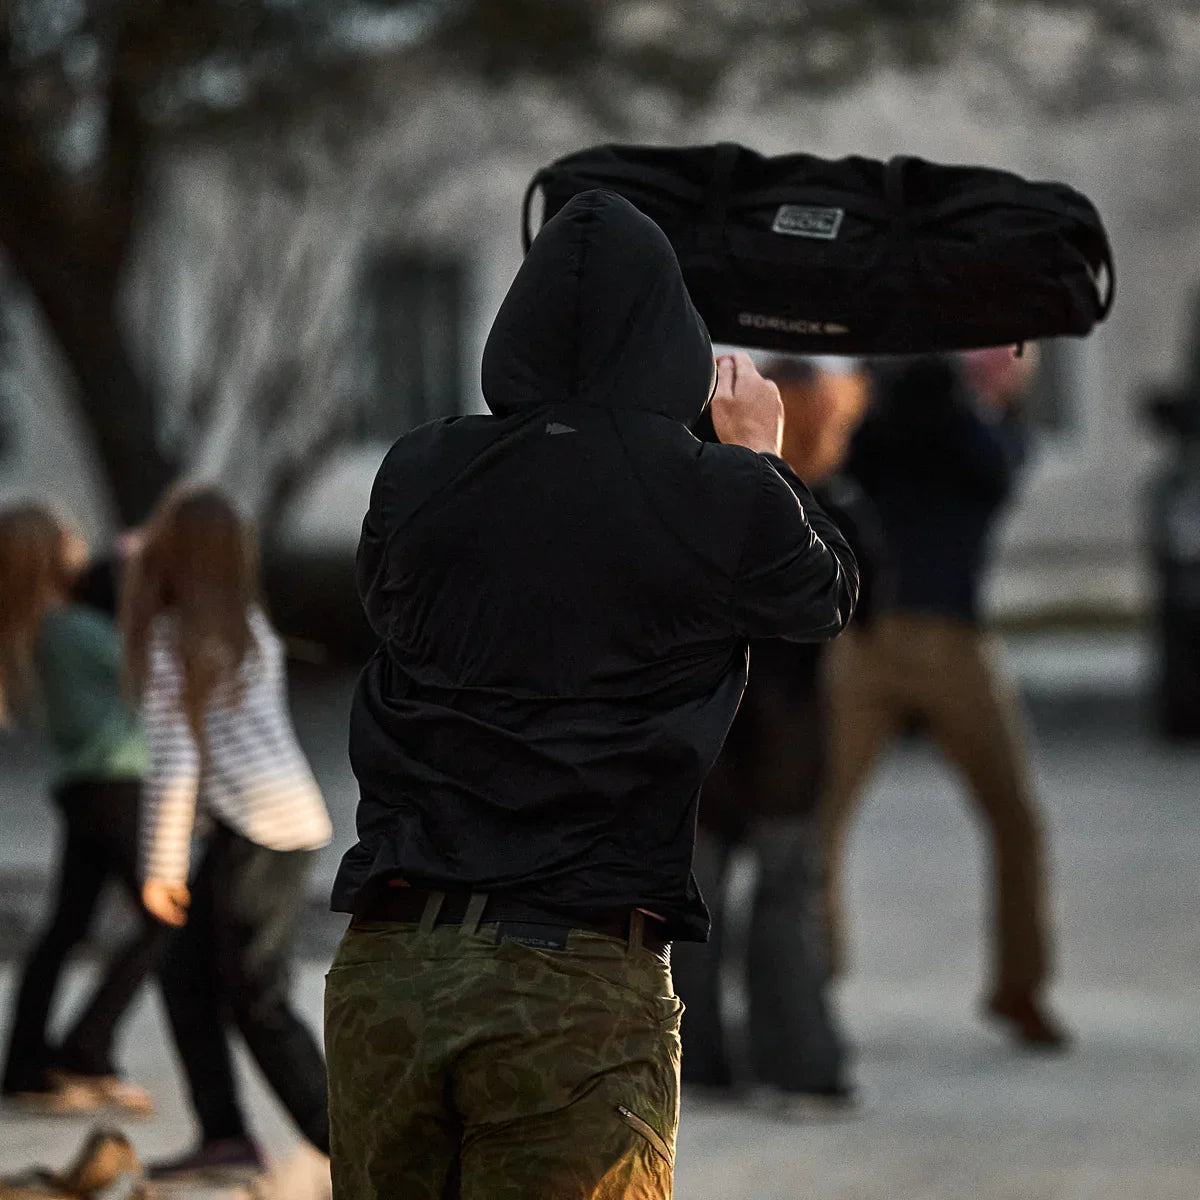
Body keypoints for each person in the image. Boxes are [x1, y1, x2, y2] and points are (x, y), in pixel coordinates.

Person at [324, 190, 859, 1200]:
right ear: (678, 343)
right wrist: (761, 461)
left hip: (389, 965)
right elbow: (822, 593)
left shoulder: (419, 469)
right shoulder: (713, 493)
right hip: (572, 978)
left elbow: (384, 595)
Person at [820, 349, 1070, 1048]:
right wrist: (898, 382)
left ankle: (1020, 989)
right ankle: (809, 986)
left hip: (955, 638)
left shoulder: (991, 431)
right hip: (866, 637)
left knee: (1015, 819)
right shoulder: (892, 414)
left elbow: (988, 468)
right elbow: (854, 464)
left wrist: (951, 394)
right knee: (818, 822)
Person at [671, 356, 884, 1114]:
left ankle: (695, 1061)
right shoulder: (819, 506)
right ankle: (794, 1058)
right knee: (784, 896)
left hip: (709, 728)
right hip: (785, 733)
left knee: (699, 897)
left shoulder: (702, 493)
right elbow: (862, 597)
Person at [122, 487, 334, 1184]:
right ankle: (225, 1137)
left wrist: (160, 870)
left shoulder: (174, 637)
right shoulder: (244, 623)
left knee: (257, 997)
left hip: (259, 833)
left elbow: (175, 760)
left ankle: (348, 1143)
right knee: (183, 974)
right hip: (266, 826)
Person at [0, 504, 160, 1116]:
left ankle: (24, 1064)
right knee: (165, 916)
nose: (78, 543)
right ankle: (85, 1049)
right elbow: (145, 668)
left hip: (85, 788)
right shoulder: (67, 628)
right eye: (66, 536)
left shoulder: (39, 626)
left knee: (66, 927)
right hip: (115, 786)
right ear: (44, 555)